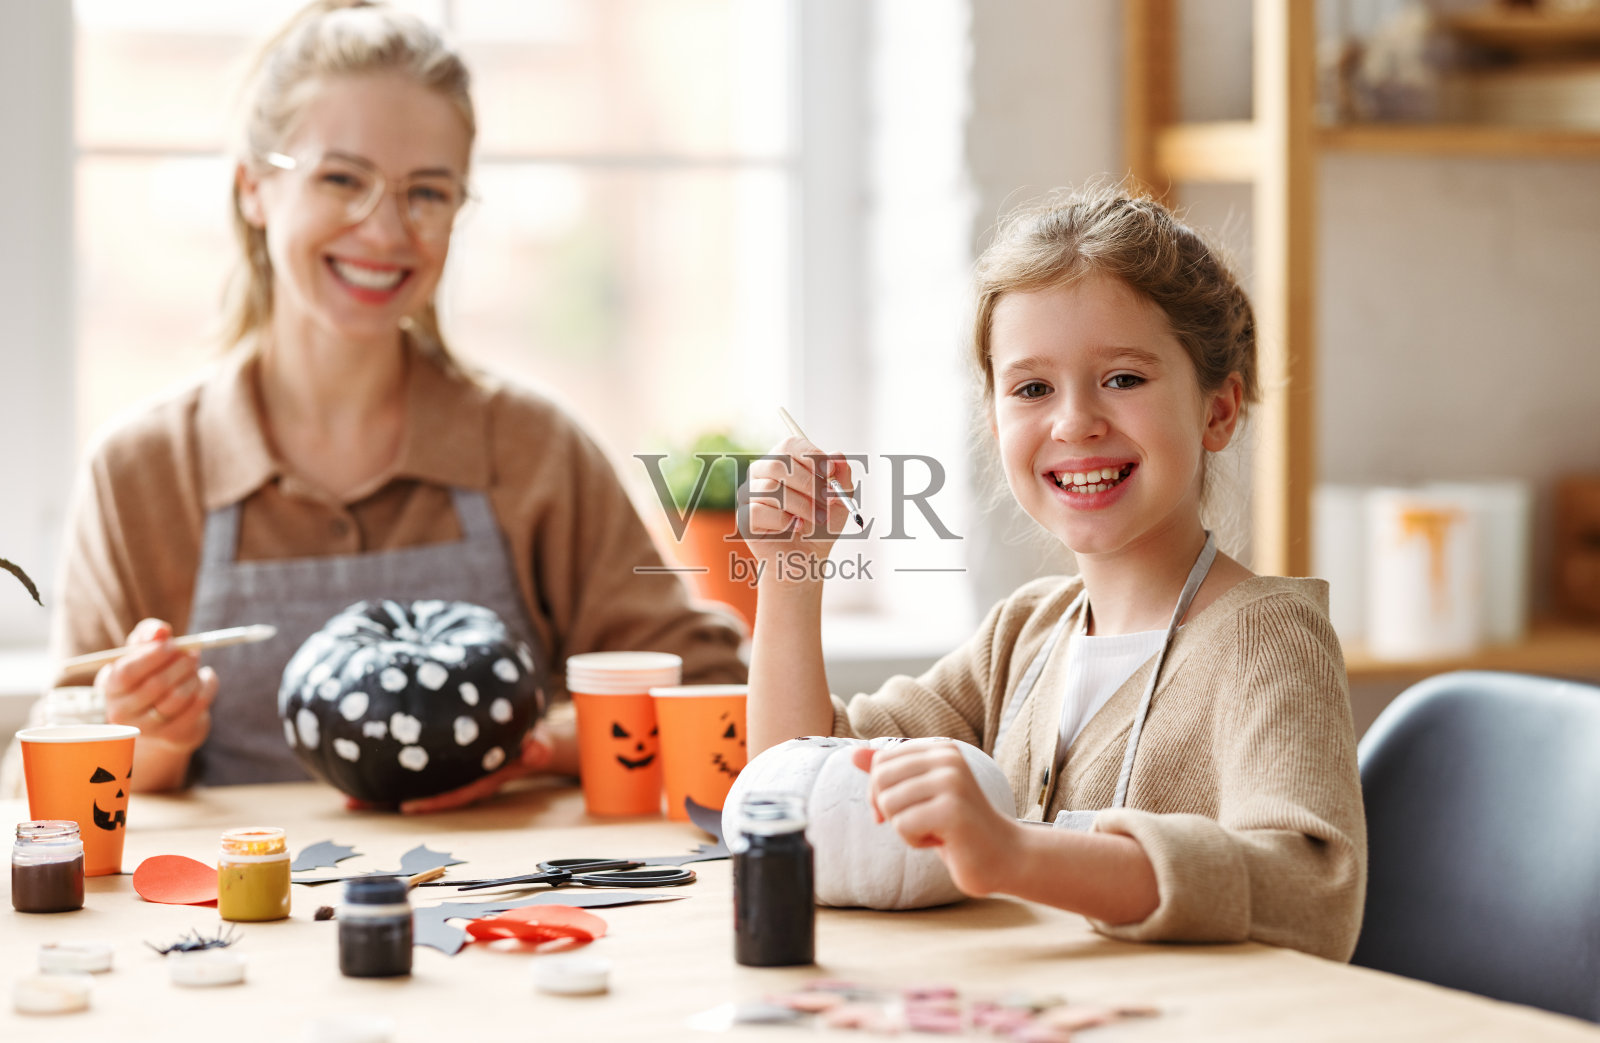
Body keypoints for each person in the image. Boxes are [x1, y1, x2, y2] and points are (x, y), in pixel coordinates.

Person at [31, 0, 745, 809]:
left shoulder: (532, 449)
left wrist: (528, 742)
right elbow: (75, 760)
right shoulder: (141, 473)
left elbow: (711, 692)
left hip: (506, 913)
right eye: (342, 178)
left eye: (428, 193)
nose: (385, 230)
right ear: (253, 187)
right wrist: (156, 732)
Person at [741, 186, 1366, 961]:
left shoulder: (1268, 637)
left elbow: (1313, 892)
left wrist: (1015, 853)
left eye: (1124, 378)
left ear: (1218, 411)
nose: (1075, 421)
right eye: (1033, 388)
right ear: (998, 418)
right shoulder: (1024, 636)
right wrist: (790, 577)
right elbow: (794, 787)